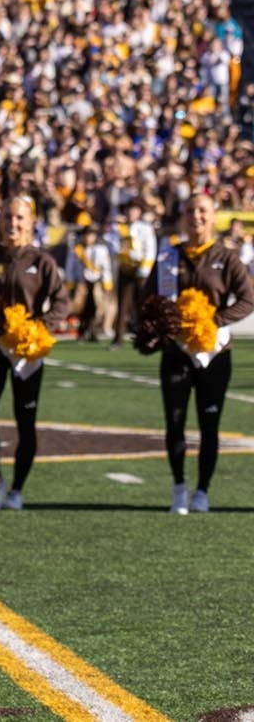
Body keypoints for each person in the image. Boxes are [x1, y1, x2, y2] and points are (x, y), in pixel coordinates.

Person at [143, 192, 254, 514]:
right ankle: (179, 486)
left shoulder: (226, 257)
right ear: (182, 217)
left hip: (214, 353)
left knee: (210, 423)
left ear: (214, 215)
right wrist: (157, 324)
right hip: (177, 352)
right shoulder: (168, 257)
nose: (197, 217)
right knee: (174, 422)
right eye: (190, 211)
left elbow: (248, 300)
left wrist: (213, 320)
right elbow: (148, 299)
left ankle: (203, 490)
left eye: (203, 211)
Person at [0, 196, 69, 511]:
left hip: (27, 354)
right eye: (7, 218)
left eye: (19, 219)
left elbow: (61, 302)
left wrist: (38, 327)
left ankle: (17, 489)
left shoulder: (42, 261)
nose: (12, 224)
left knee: (25, 421)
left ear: (30, 223)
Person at [110, 202, 157, 347]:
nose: (131, 213)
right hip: (125, 267)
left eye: (135, 210)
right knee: (123, 304)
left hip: (140, 268)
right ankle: (118, 338)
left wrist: (145, 268)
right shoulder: (118, 228)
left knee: (144, 304)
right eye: (129, 210)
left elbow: (150, 248)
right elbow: (112, 246)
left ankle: (147, 335)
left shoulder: (145, 227)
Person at [66, 225, 115, 342]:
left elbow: (105, 267)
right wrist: (71, 282)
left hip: (96, 282)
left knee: (96, 307)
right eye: (86, 235)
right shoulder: (77, 249)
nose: (88, 238)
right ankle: (82, 331)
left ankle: (93, 330)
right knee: (82, 307)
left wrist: (107, 283)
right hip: (82, 282)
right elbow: (70, 267)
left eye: (91, 235)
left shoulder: (101, 249)